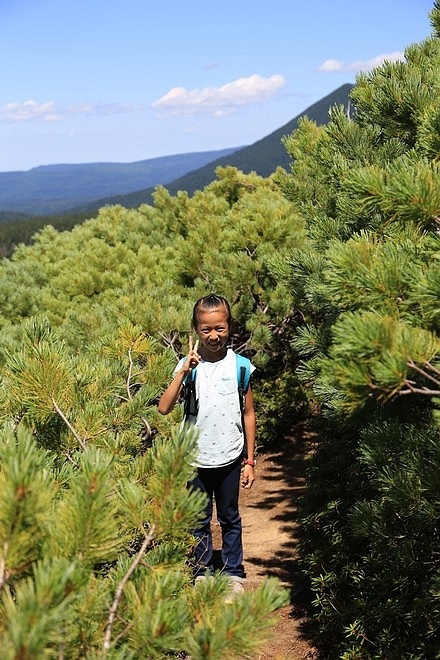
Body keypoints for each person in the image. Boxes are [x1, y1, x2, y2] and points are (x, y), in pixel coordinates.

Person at [158, 294, 256, 593]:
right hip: (195, 459)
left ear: (229, 327)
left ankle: (232, 572)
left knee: (229, 516)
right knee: (198, 519)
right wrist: (184, 370)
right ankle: (202, 571)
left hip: (229, 456)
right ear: (196, 329)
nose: (213, 335)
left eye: (220, 328)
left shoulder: (240, 367)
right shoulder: (189, 367)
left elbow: (249, 414)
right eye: (206, 330)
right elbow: (164, 408)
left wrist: (250, 460)